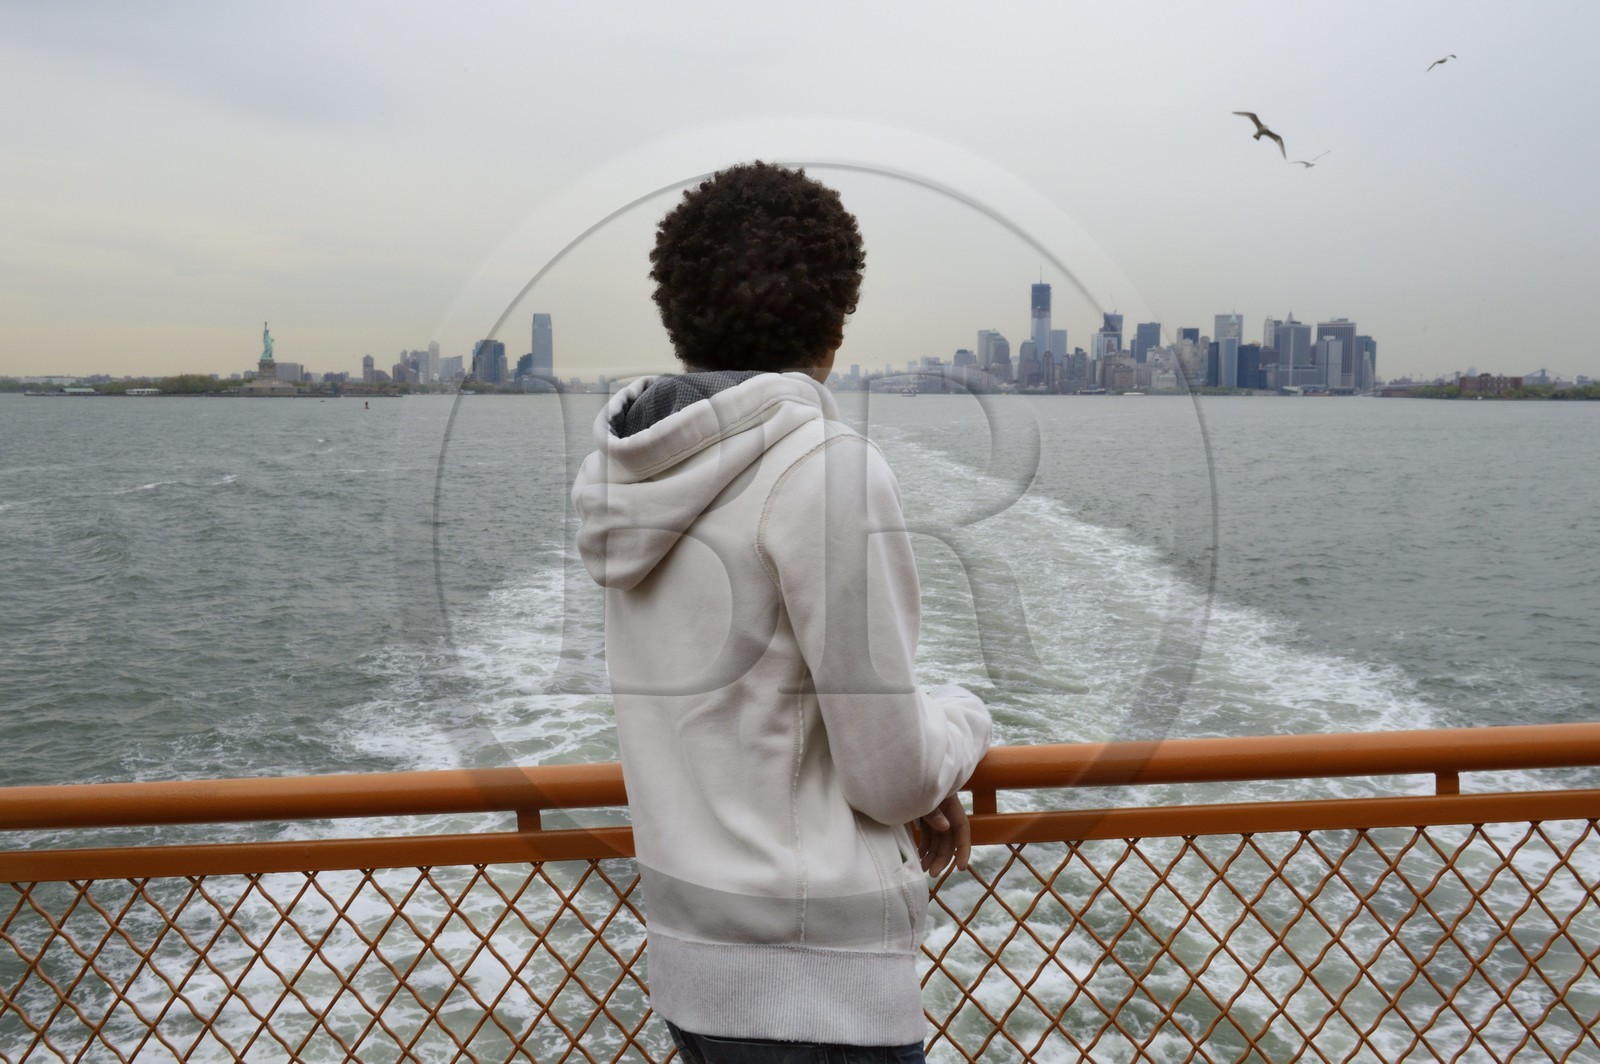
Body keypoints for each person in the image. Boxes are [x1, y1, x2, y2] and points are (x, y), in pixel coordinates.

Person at [571, 161, 992, 1063]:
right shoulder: (825, 467)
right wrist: (966, 720)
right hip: (817, 993)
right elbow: (892, 779)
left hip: (696, 980)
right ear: (836, 329)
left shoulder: (628, 478)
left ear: (679, 321)